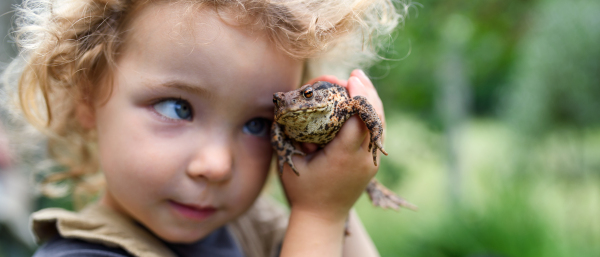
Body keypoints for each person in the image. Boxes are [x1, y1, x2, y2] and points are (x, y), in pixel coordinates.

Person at [3, 0, 406, 256]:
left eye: (257, 123)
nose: (216, 165)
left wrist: (332, 203)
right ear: (87, 97)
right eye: (177, 108)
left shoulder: (254, 228)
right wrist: (319, 217)